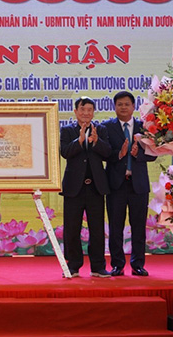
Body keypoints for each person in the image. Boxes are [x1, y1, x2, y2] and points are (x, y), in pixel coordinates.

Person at [103, 91, 156, 277]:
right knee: (115, 227)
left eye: (127, 104)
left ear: (133, 107)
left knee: (138, 226)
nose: (123, 107)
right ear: (115, 107)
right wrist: (119, 153)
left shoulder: (145, 127)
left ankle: (138, 264)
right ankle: (117, 264)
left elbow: (153, 154)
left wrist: (137, 154)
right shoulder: (106, 127)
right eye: (119, 104)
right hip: (115, 184)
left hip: (138, 184)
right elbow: (102, 153)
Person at [60, 96, 112, 278]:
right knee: (72, 228)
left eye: (89, 110)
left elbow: (108, 154)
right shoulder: (67, 131)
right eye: (82, 110)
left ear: (93, 112)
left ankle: (98, 266)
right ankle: (73, 265)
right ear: (75, 112)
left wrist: (97, 142)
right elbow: (64, 153)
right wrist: (79, 141)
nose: (86, 113)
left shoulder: (101, 130)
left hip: (96, 187)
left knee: (97, 229)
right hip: (74, 188)